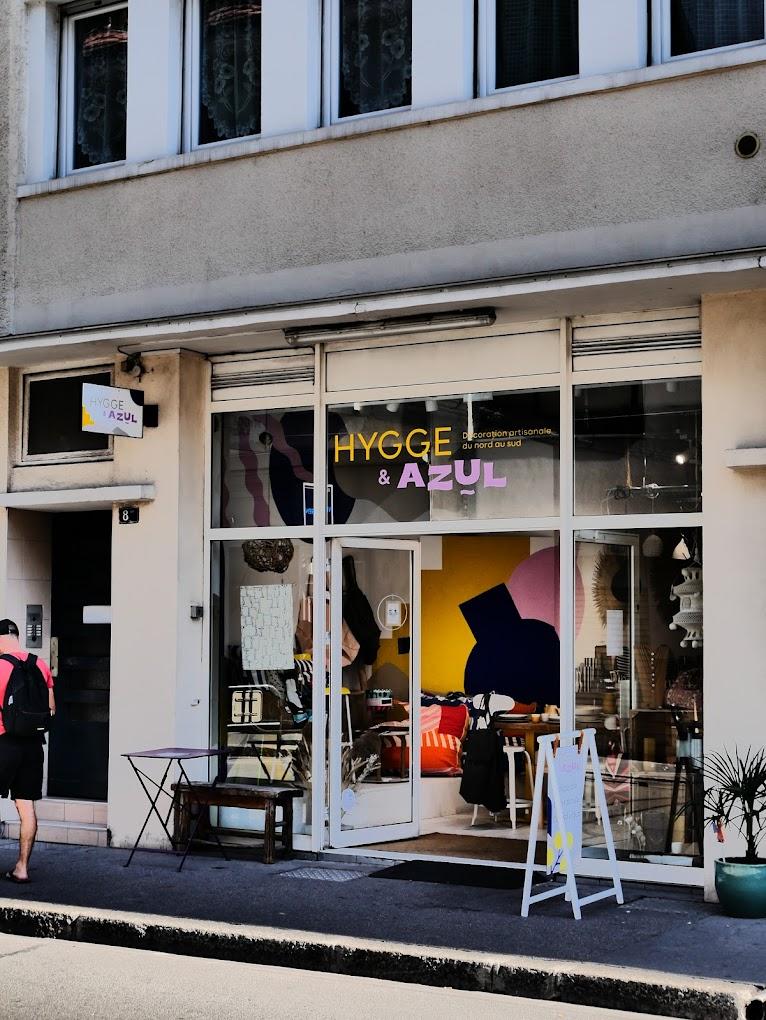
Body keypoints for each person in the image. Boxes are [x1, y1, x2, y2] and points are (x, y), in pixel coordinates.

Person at [0, 620, 55, 883]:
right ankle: (22, 868)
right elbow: (51, 709)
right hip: (33, 745)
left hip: (4, 742)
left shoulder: (0, 666)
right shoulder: (40, 664)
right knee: (26, 807)